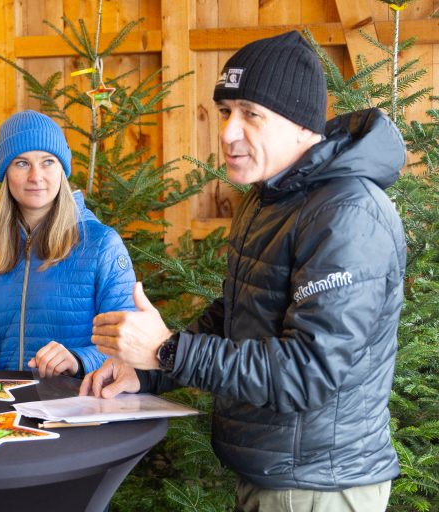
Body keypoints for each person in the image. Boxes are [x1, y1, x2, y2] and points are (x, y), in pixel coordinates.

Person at [81, 31, 406, 512]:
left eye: (252, 114)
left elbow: (308, 372)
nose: (229, 132)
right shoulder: (272, 196)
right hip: (279, 475)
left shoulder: (346, 214)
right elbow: (240, 313)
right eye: (226, 111)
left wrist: (168, 351)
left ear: (302, 126)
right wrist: (147, 372)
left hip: (318, 488)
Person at [0, 109, 136, 378]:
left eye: (48, 161)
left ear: (62, 168)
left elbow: (128, 338)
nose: (36, 176)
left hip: (77, 407)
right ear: (5, 174)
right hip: (4, 408)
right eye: (22, 163)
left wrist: (77, 359)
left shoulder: (102, 245)